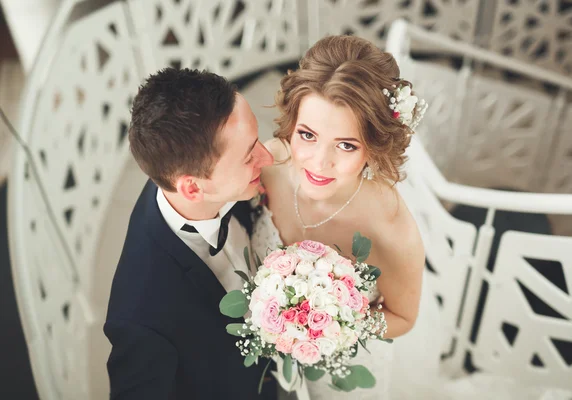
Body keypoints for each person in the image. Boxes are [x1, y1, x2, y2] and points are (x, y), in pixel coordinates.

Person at [250, 35, 442, 399]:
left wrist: (328, 326)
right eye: (307, 135)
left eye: (346, 145)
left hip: (347, 373)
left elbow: (402, 317)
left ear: (374, 147)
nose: (320, 163)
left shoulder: (389, 228)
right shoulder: (269, 168)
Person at [104, 68, 277, 399]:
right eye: (249, 155)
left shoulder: (182, 165)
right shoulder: (141, 317)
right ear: (193, 188)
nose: (266, 157)